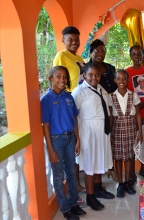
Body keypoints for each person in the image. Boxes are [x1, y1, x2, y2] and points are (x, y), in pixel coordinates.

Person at [41, 66, 86, 220]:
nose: (62, 80)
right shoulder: (46, 100)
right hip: (56, 141)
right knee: (59, 176)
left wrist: (77, 139)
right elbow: (45, 126)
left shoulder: (68, 97)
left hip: (70, 138)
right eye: (58, 76)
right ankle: (65, 208)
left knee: (72, 173)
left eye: (65, 77)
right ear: (51, 79)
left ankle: (74, 204)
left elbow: (74, 119)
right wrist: (51, 149)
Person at [71, 63, 114, 211]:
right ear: (84, 75)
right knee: (90, 163)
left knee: (98, 160)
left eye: (97, 75)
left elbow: (107, 109)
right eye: (90, 75)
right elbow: (73, 116)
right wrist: (77, 138)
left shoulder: (101, 89)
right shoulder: (79, 92)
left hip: (101, 132)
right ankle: (90, 196)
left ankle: (97, 188)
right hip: (87, 132)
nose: (94, 78)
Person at [53, 26, 85, 197]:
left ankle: (77, 182)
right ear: (63, 40)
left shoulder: (79, 58)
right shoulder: (61, 56)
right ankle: (75, 184)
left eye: (76, 39)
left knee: (76, 144)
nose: (74, 42)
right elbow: (58, 78)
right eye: (70, 39)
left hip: (79, 102)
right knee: (71, 143)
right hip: (67, 102)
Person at [87, 39, 118, 185]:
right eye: (97, 51)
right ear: (91, 52)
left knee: (111, 139)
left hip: (111, 107)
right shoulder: (86, 69)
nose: (101, 53)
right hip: (94, 115)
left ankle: (109, 167)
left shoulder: (110, 68)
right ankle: (96, 180)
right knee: (95, 149)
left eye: (103, 51)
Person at [108, 69, 143, 198]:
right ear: (115, 80)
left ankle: (128, 182)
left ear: (128, 80)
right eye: (119, 79)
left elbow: (138, 115)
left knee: (128, 156)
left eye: (124, 79)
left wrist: (139, 132)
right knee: (117, 157)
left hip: (130, 128)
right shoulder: (111, 96)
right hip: (117, 128)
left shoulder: (133, 95)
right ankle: (120, 183)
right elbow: (111, 116)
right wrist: (110, 132)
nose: (121, 81)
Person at [125, 45, 144, 182]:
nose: (137, 57)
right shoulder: (127, 72)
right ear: (131, 56)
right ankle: (130, 173)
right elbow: (124, 93)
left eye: (139, 54)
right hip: (132, 113)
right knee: (132, 142)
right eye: (134, 54)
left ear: (143, 55)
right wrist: (134, 104)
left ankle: (143, 169)